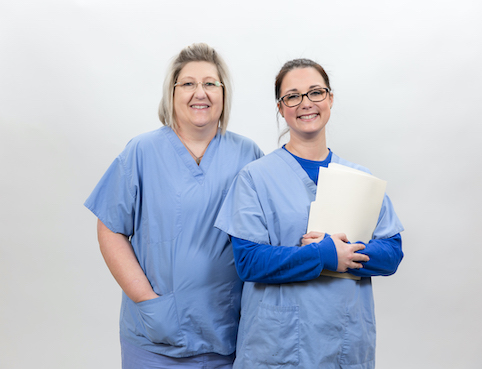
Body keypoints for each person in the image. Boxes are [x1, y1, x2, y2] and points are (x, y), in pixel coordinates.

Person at [215, 58, 404, 368]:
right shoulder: (255, 178)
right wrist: (324, 256)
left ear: (330, 98)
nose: (306, 103)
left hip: (345, 342)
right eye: (293, 96)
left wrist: (344, 255)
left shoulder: (359, 179)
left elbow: (391, 253)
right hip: (276, 345)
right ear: (281, 107)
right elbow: (249, 262)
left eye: (316, 92)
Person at [84, 43, 263, 369]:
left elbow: (267, 233)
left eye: (210, 83)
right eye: (189, 83)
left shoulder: (247, 155)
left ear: (224, 94)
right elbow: (110, 228)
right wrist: (146, 300)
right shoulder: (142, 151)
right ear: (172, 92)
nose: (201, 92)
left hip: (226, 335)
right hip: (154, 338)